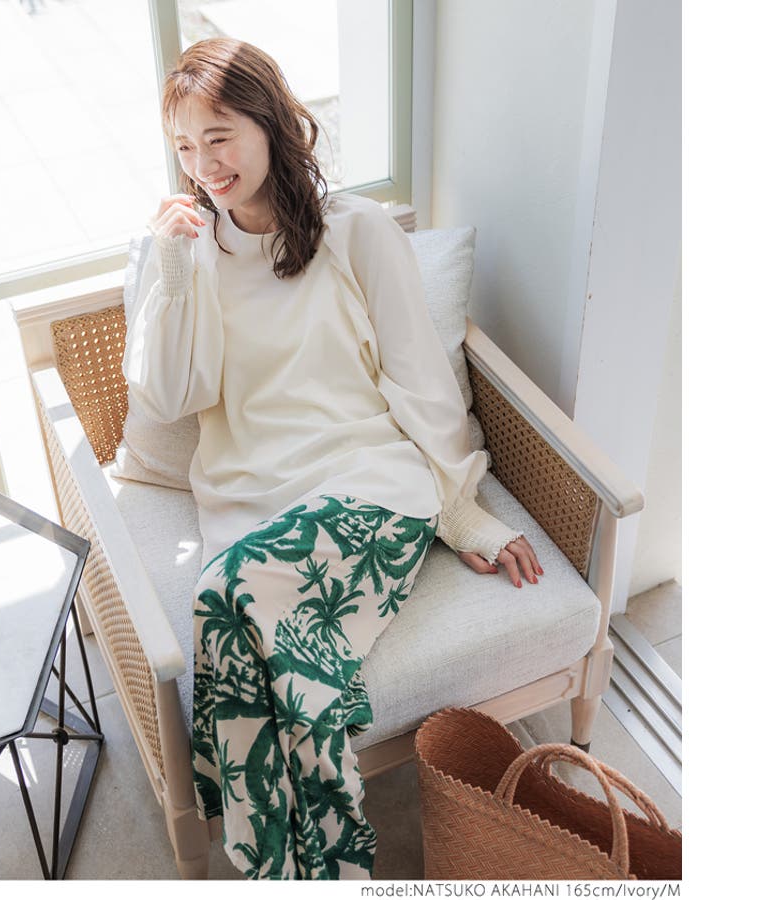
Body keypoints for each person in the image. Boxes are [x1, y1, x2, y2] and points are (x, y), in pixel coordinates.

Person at [123, 37, 543, 880]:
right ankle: (310, 871)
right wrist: (171, 271)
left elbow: (422, 380)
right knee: (230, 605)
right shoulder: (184, 253)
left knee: (228, 596)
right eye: (184, 146)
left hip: (370, 483)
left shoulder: (357, 231)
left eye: (219, 137)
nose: (203, 165)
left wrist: (462, 511)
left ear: (271, 123)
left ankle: (307, 871)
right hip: (253, 504)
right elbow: (169, 396)